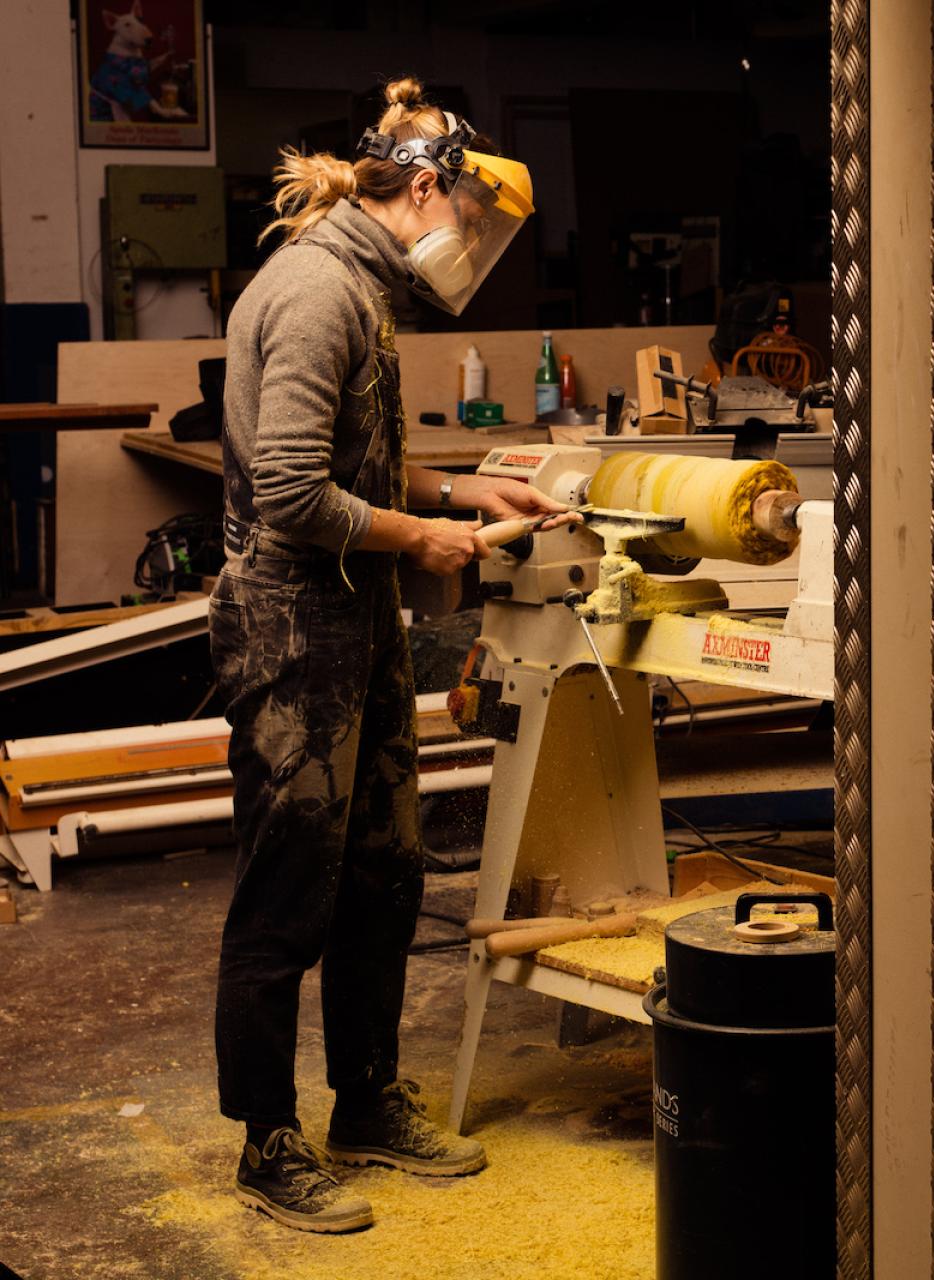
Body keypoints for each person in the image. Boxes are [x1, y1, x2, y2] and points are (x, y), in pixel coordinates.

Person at [211, 76, 569, 1233]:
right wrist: (427, 535)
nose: (475, 247)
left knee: (383, 868)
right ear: (423, 188)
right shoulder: (317, 295)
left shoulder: (364, 288)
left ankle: (364, 1099)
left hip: (354, 613)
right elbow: (287, 491)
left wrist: (471, 485)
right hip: (290, 619)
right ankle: (269, 1140)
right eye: (474, 221)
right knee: (289, 882)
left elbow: (359, 473)